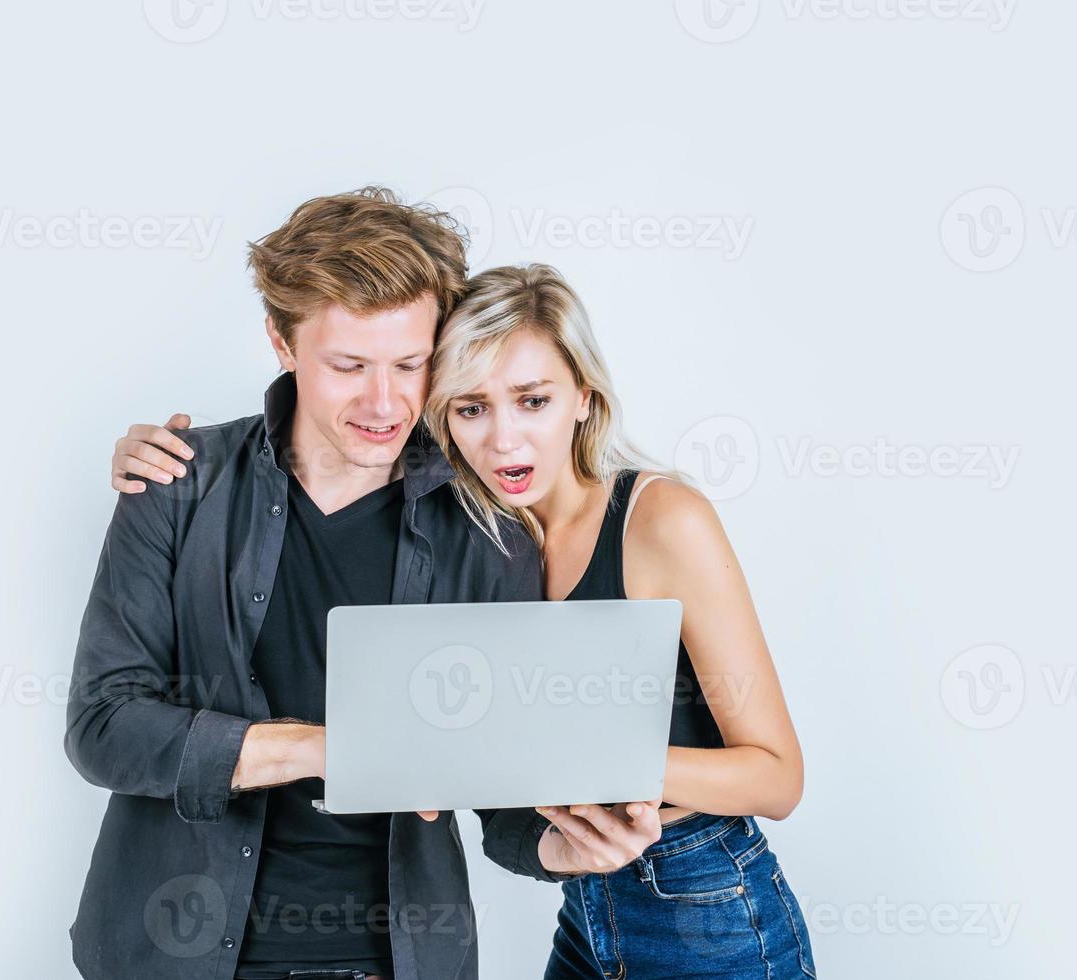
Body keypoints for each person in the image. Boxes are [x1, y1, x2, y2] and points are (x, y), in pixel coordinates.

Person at [113, 263, 817, 979]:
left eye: (533, 400)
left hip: (704, 898)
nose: (505, 441)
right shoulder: (485, 537)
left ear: (584, 396)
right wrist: (176, 463)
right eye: (471, 408)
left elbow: (777, 777)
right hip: (588, 902)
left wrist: (588, 765)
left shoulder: (661, 519)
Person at [67, 190, 662, 980]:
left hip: (394, 959)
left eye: (411, 365)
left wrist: (566, 844)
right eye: (348, 366)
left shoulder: (488, 527)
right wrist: (333, 750)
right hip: (167, 952)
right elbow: (103, 726)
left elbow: (500, 788)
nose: (385, 404)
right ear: (281, 340)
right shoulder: (177, 482)